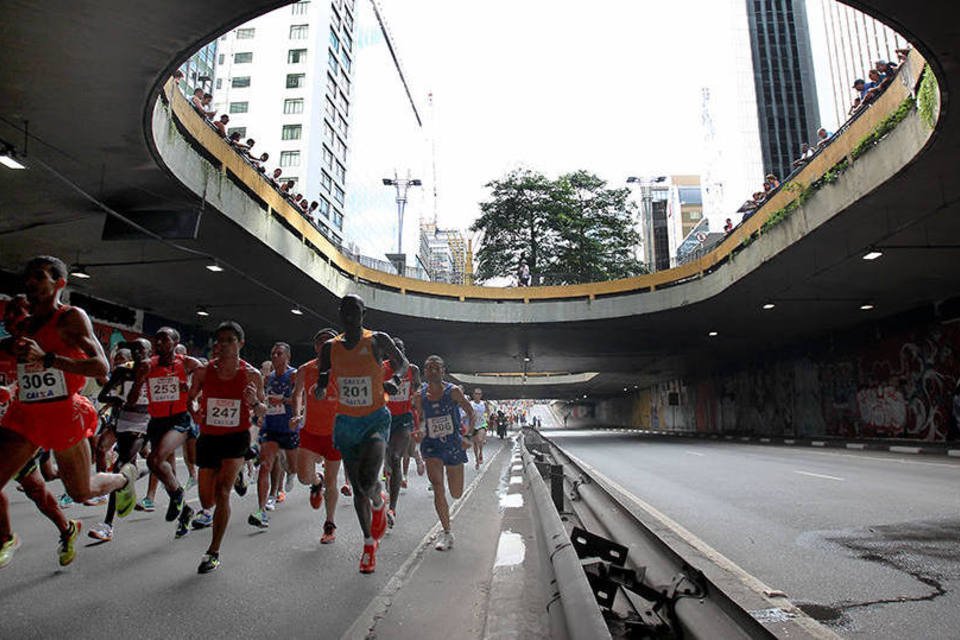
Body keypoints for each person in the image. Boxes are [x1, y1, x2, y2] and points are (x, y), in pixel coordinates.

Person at [0, 256, 137, 568]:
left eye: (40, 277)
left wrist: (49, 359)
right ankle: (6, 538)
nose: (31, 282)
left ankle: (122, 479)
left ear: (59, 283)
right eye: (28, 277)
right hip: (26, 414)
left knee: (80, 491)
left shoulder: (70, 318)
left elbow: (101, 366)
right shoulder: (25, 326)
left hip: (64, 413)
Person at [314, 294, 408, 573]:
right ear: (340, 314)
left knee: (369, 479)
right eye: (345, 310)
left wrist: (394, 379)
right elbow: (323, 374)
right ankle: (368, 543)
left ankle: (379, 502)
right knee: (357, 489)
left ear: (363, 312)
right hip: (345, 422)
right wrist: (320, 387)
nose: (349, 315)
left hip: (375, 419)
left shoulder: (377, 339)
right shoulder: (331, 347)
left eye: (355, 310)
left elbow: (401, 363)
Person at [0, 295, 80, 567]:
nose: (9, 319)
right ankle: (66, 529)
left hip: (24, 432)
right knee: (35, 490)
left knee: (37, 490)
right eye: (7, 315)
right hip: (7, 433)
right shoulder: (3, 349)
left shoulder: (43, 349)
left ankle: (9, 538)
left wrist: (11, 392)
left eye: (17, 313)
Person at [188, 321, 266, 573]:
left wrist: (255, 403)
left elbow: (262, 411)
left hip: (236, 438)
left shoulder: (252, 375)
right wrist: (196, 411)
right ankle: (243, 467)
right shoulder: (203, 372)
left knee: (223, 493)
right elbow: (191, 400)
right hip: (209, 438)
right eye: (220, 340)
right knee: (206, 500)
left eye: (230, 340)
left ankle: (213, 551)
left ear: (240, 343)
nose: (223, 345)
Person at [139, 327, 202, 539]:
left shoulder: (187, 363)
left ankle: (178, 495)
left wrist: (191, 391)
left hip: (179, 419)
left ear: (175, 342)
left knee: (156, 460)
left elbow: (205, 376)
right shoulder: (150, 365)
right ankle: (184, 510)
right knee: (160, 467)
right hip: (157, 422)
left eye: (164, 339)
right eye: (156, 339)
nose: (159, 343)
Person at [88, 338, 153, 542]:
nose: (137, 354)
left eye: (141, 350)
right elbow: (104, 396)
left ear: (150, 352)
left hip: (145, 425)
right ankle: (145, 471)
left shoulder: (156, 371)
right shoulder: (123, 372)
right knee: (125, 467)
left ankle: (107, 525)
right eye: (134, 350)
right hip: (123, 422)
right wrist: (117, 399)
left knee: (120, 467)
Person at [412, 355, 474, 552]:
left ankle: (447, 526)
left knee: (456, 492)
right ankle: (447, 532)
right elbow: (421, 419)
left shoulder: (453, 392)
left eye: (436, 368)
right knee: (438, 486)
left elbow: (470, 412)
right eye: (429, 368)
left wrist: (469, 436)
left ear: (443, 371)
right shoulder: (419, 396)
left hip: (454, 444)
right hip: (431, 446)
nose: (432, 371)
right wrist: (421, 430)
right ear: (424, 372)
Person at [291, 328, 341, 543]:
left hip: (335, 434)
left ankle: (329, 524)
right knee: (303, 476)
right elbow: (297, 394)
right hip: (310, 432)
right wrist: (297, 414)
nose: (325, 345)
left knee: (332, 481)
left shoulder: (344, 369)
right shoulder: (305, 369)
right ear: (316, 346)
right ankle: (315, 482)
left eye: (330, 341)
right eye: (321, 341)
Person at [249, 342, 298, 529]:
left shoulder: (293, 375)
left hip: (289, 426)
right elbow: (264, 401)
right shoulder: (267, 378)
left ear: (288, 357)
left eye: (279, 353)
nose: (275, 356)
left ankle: (295, 474)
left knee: (294, 468)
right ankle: (261, 509)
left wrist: (283, 400)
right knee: (265, 465)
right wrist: (259, 413)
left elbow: (300, 400)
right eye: (273, 353)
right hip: (271, 426)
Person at [382, 338, 421, 529]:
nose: (397, 353)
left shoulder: (412, 369)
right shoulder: (381, 368)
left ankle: (392, 508)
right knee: (388, 459)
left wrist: (415, 398)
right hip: (383, 419)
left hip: (404, 420)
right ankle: (389, 478)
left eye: (401, 349)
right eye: (394, 349)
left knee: (396, 457)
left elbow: (418, 391)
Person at [467, 388, 490, 470]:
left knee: (480, 439)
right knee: (475, 444)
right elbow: (467, 412)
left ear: (481, 395)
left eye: (479, 394)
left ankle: (481, 453)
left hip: (482, 424)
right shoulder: (470, 403)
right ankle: (477, 459)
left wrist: (487, 418)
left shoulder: (484, 403)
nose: (477, 395)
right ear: (473, 395)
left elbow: (488, 412)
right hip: (473, 425)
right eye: (476, 394)